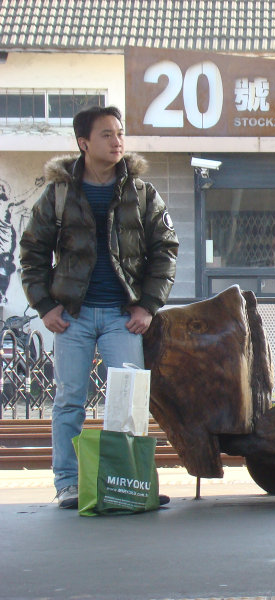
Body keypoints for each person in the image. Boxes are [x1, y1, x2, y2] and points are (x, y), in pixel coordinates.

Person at [19, 106, 179, 509]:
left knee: (128, 400)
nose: (117, 141)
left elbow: (165, 250)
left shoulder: (142, 193)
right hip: (71, 316)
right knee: (69, 400)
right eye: (106, 134)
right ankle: (68, 484)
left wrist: (147, 306)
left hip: (121, 318)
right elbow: (32, 252)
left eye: (120, 133)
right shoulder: (57, 194)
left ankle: (130, 482)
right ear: (84, 143)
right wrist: (44, 306)